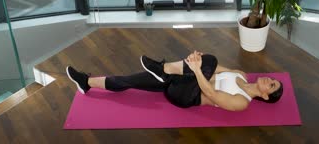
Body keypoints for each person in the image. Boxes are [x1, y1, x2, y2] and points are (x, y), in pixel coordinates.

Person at [66, 51, 283, 111]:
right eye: (273, 79)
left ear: (264, 95)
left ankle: (163, 69)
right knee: (132, 80)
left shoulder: (242, 102)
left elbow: (211, 94)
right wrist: (197, 60)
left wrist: (197, 68)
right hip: (187, 79)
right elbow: (213, 69)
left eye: (271, 85)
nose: (269, 80)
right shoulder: (241, 75)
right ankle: (86, 82)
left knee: (209, 61)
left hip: (186, 96)